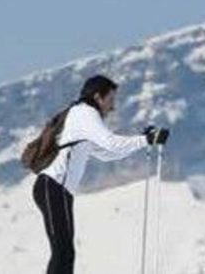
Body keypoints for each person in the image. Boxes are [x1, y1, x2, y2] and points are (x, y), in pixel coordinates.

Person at [31, 74, 169, 274]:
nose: (112, 107)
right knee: (64, 251)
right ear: (98, 97)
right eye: (111, 100)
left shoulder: (80, 117)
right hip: (53, 186)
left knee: (64, 251)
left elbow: (107, 154)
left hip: (55, 189)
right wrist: (146, 140)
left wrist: (143, 139)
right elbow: (111, 143)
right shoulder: (85, 113)